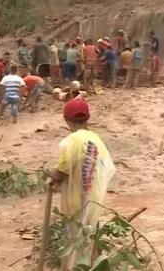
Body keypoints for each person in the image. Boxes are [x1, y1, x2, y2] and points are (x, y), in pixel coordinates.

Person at [48, 98, 116, 268]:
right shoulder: (96, 139)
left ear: (66, 120)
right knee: (89, 237)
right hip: (94, 200)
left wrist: (49, 175)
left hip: (75, 202)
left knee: (73, 241)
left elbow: (60, 173)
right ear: (88, 118)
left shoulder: (72, 141)